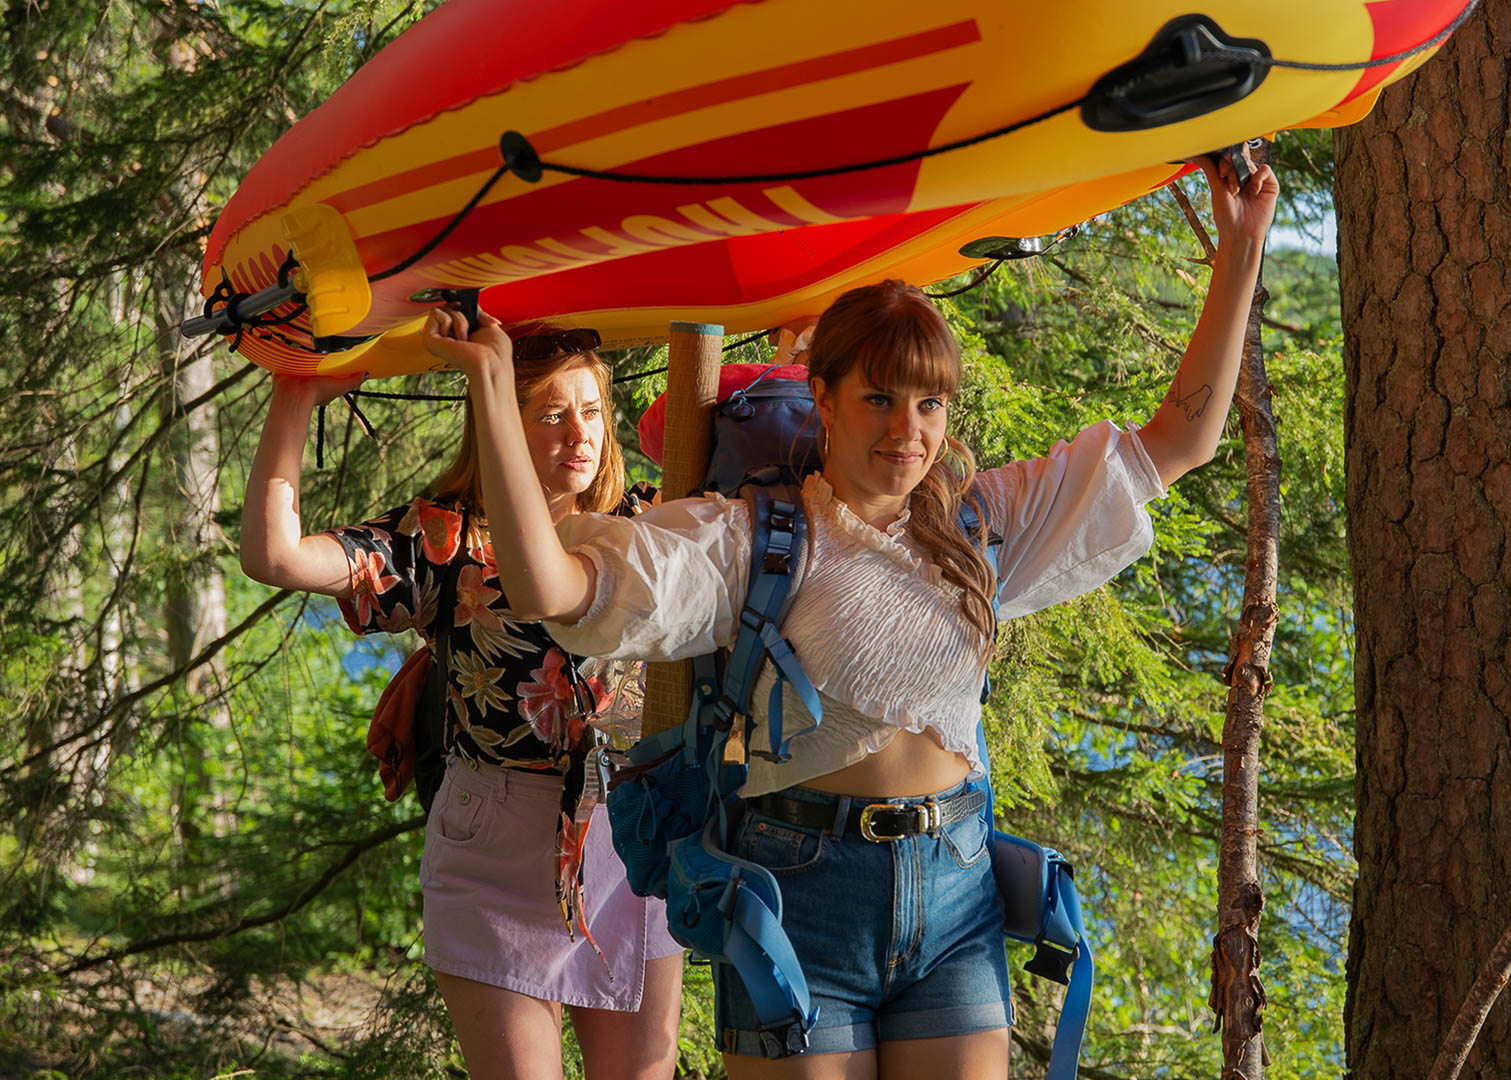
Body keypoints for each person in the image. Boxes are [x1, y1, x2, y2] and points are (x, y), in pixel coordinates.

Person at [426, 153, 1279, 1080]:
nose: (907, 429)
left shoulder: (981, 525)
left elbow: (1181, 440)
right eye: (878, 397)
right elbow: (552, 586)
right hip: (797, 899)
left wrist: (1240, 253)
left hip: (956, 895)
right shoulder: (750, 540)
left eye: (929, 403)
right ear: (820, 398)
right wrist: (490, 385)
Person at [238, 330, 683, 1080]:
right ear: (497, 420)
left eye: (593, 410)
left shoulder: (647, 525)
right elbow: (273, 555)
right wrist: (293, 397)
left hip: (628, 840)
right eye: (550, 415)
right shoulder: (445, 539)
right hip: (495, 843)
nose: (580, 434)